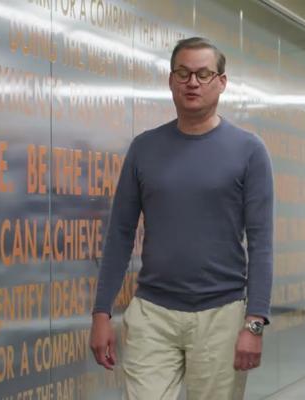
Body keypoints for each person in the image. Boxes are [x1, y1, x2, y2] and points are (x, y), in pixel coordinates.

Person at [89, 37, 274, 400]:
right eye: (183, 73)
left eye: (204, 74)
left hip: (221, 315)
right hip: (152, 314)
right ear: (171, 80)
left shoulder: (249, 150)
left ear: (221, 82)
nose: (192, 82)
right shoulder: (144, 148)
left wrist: (255, 322)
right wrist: (101, 313)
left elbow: (261, 242)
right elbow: (120, 234)